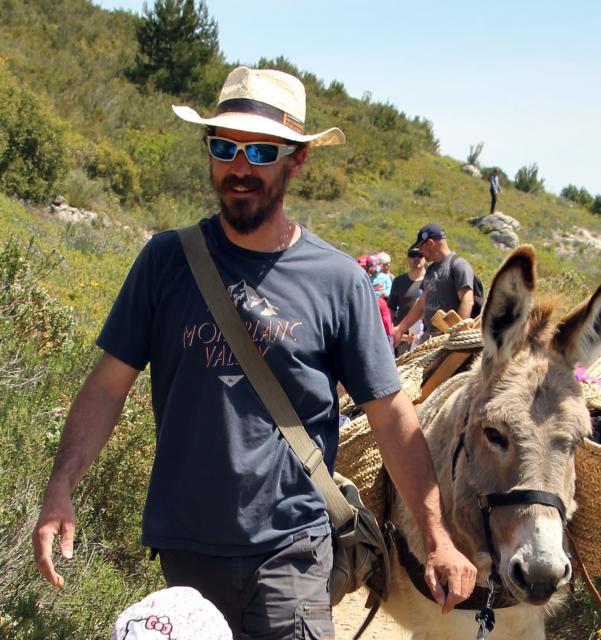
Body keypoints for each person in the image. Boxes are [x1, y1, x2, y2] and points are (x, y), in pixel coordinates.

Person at [33, 66, 475, 640]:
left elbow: (391, 418)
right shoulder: (165, 263)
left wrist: (437, 536)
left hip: (291, 551)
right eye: (225, 146)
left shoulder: (337, 281)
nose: (240, 166)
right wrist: (61, 484)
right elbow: (106, 386)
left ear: (297, 159)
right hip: (186, 554)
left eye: (262, 150)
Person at [393, 224, 475, 348]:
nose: (420, 251)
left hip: (447, 341)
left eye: (421, 246)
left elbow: (467, 300)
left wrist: (457, 336)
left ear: (430, 243)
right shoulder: (431, 269)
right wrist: (400, 328)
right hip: (430, 339)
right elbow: (422, 303)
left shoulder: (458, 265)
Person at [388, 246, 426, 356]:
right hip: (402, 337)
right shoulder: (399, 281)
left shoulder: (431, 281)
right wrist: (390, 329)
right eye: (412, 255)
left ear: (425, 258)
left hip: (425, 337)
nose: (416, 258)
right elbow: (391, 307)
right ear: (408, 258)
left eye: (420, 255)